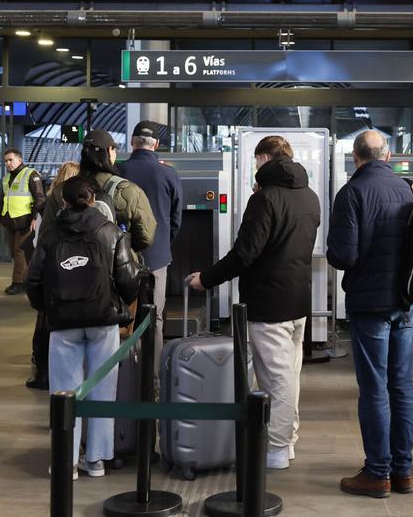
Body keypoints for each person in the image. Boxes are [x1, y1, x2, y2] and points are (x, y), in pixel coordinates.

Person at [187, 135, 320, 471]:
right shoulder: (309, 196)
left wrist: (207, 278)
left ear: (264, 159)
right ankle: (287, 441)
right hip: (298, 300)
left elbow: (245, 253)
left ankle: (276, 448)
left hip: (267, 301)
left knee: (276, 379)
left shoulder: (264, 199)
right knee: (289, 375)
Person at [27, 176, 139, 479]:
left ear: (64, 201)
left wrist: (46, 308)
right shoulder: (111, 232)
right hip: (103, 320)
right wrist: (119, 301)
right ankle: (96, 460)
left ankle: (65, 460)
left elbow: (33, 280)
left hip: (63, 322)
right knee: (103, 389)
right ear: (93, 200)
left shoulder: (50, 235)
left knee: (64, 392)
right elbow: (128, 281)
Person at [327, 130, 413, 499]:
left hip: (370, 304)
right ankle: (403, 471)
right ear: (388, 155)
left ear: (355, 157)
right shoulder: (409, 190)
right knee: (402, 386)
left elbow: (343, 256)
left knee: (375, 388)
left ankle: (378, 473)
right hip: (406, 302)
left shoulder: (352, 193)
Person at [116, 121, 183, 372]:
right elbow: (176, 218)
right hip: (157, 257)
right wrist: (163, 244)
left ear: (132, 142)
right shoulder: (168, 173)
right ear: (156, 145)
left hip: (120, 257)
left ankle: (121, 374)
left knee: (122, 315)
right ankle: (152, 377)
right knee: (155, 316)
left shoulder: (117, 171)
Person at [25, 160, 81, 390]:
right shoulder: (84, 206)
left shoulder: (48, 203)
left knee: (45, 320)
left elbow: (39, 240)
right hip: (77, 269)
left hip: (52, 267)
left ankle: (43, 372)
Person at [0, 148, 46, 295]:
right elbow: (3, 200)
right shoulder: (7, 178)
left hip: (26, 220)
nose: (8, 163)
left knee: (20, 252)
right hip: (10, 220)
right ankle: (30, 280)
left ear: (19, 159)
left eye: (11, 160)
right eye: (6, 161)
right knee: (14, 251)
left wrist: (35, 218)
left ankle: (18, 283)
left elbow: (40, 198)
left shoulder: (31, 174)